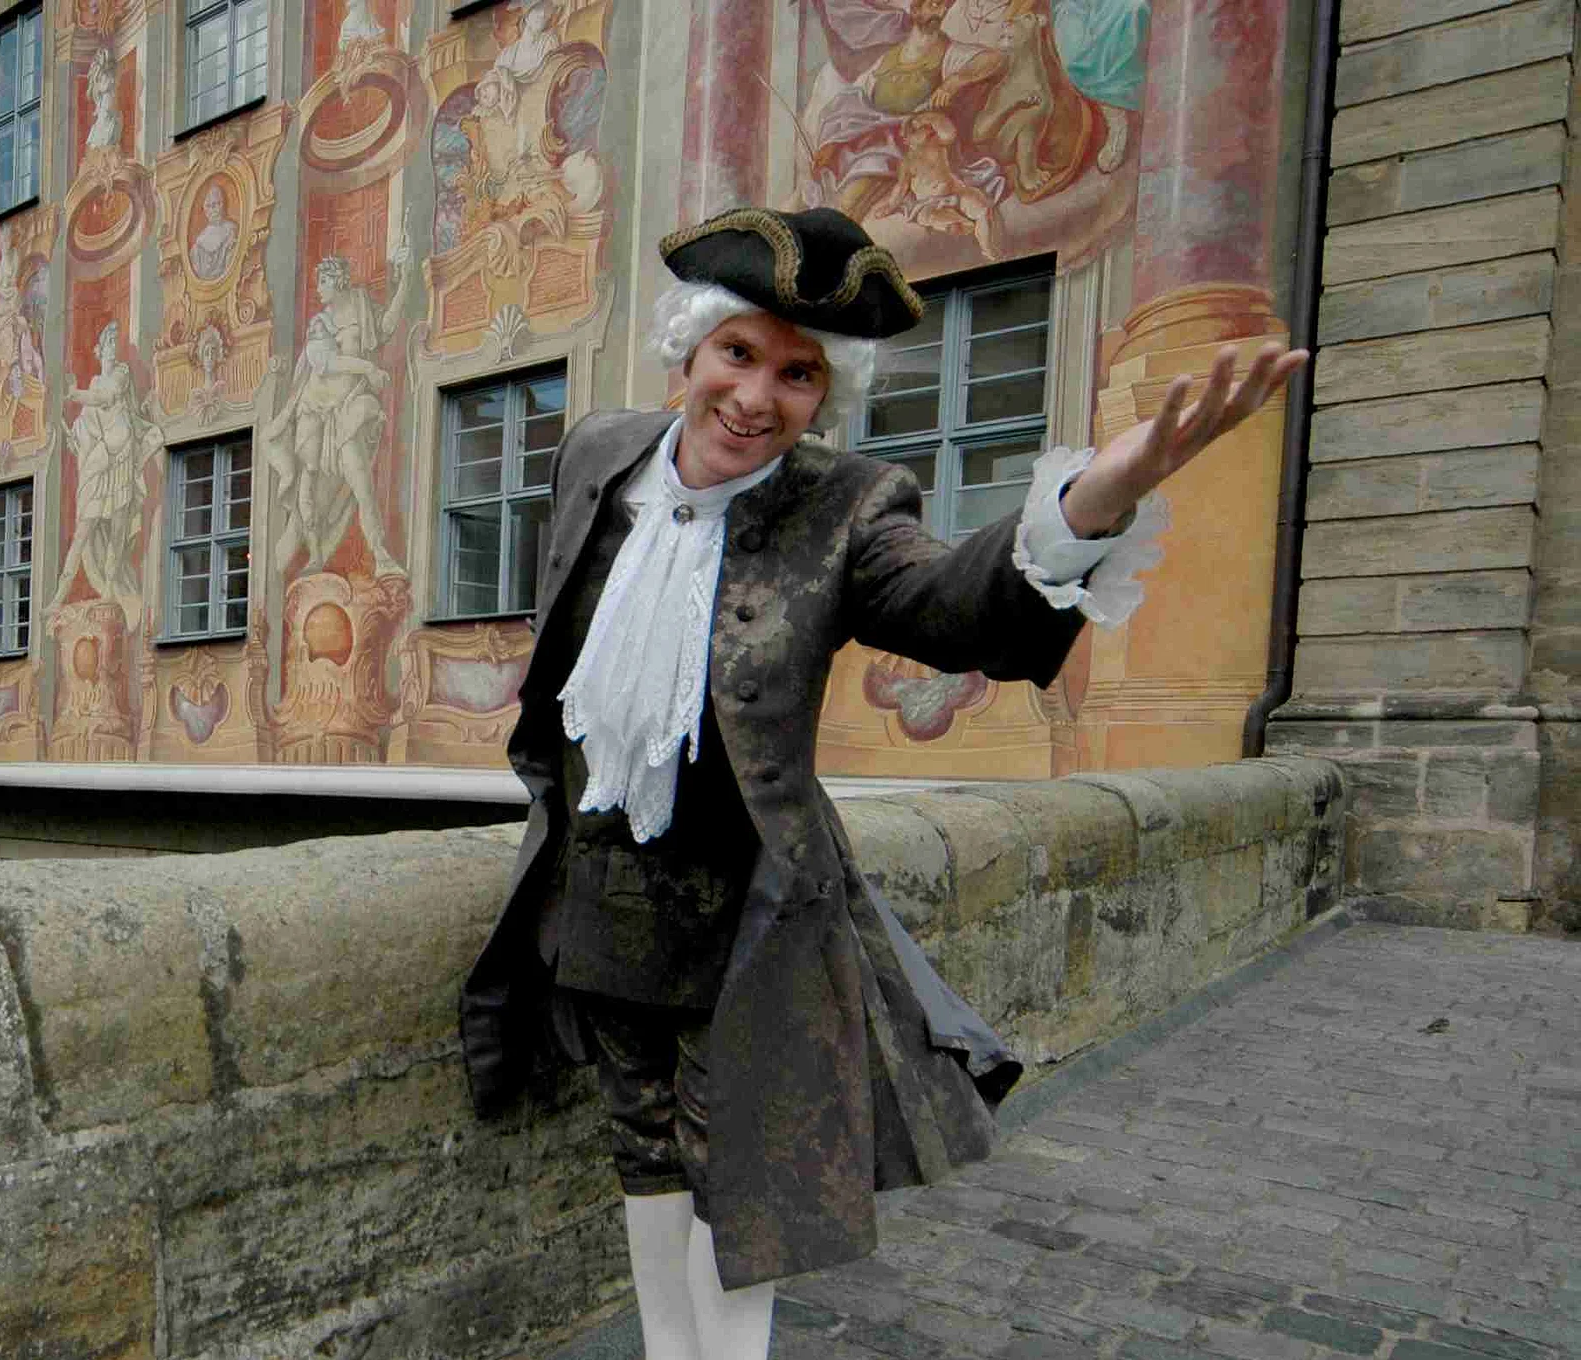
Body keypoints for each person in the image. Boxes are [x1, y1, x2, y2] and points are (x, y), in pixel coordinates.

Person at [458, 205, 1304, 1360]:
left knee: (741, 1169)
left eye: (796, 374)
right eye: (736, 354)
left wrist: (1096, 497)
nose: (754, 397)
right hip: (602, 891)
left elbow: (953, 606)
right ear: (689, 349)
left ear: (825, 395)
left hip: (751, 915)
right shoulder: (597, 454)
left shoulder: (845, 505)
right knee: (641, 1145)